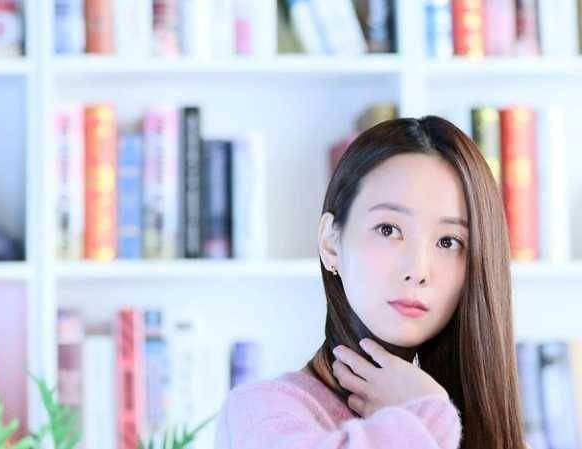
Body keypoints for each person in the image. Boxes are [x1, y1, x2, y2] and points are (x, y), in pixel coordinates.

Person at [213, 116, 527, 449]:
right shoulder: (258, 415)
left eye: (448, 241)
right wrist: (427, 415)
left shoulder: (496, 434)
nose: (418, 270)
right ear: (330, 244)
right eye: (388, 230)